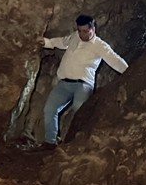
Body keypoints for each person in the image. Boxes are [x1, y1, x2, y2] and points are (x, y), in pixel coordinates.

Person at [37, 14, 127, 148]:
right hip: (64, 83)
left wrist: (129, 72)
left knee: (79, 111)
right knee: (50, 108)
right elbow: (63, 42)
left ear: (93, 29)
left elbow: (115, 60)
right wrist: (47, 42)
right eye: (79, 31)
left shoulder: (100, 46)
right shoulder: (75, 36)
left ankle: (74, 144)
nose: (82, 34)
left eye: (85, 31)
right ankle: (50, 142)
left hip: (83, 85)